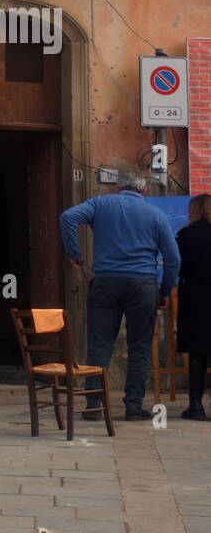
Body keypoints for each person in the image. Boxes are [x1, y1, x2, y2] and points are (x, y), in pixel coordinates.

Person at [59, 172, 180, 421]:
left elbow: (67, 217)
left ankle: (94, 404)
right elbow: (173, 259)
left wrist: (75, 253)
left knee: (100, 345)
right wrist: (165, 290)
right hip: (143, 285)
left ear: (117, 188)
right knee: (140, 348)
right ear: (144, 192)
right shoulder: (156, 215)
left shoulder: (101, 204)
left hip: (105, 282)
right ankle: (133, 407)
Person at [176, 194, 211, 421]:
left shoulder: (186, 236)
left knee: (198, 352)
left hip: (196, 296)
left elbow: (178, 265)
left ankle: (196, 405)